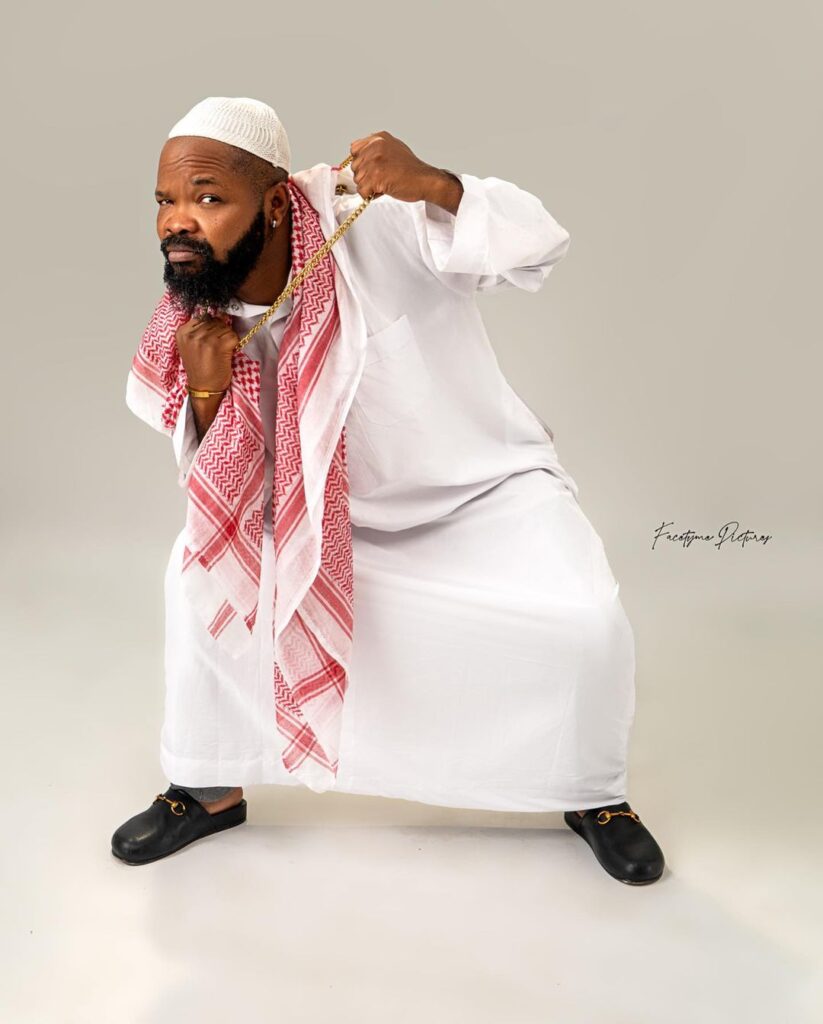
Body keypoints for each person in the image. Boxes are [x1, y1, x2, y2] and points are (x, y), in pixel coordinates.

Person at [111, 96, 665, 884]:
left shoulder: (372, 223)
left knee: (585, 621)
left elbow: (538, 246)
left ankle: (591, 794)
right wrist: (205, 392)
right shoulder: (195, 307)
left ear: (275, 204)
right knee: (195, 577)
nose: (178, 221)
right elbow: (222, 487)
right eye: (165, 200)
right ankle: (207, 787)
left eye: (206, 197)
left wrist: (434, 182)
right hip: (317, 519)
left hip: (481, 498)